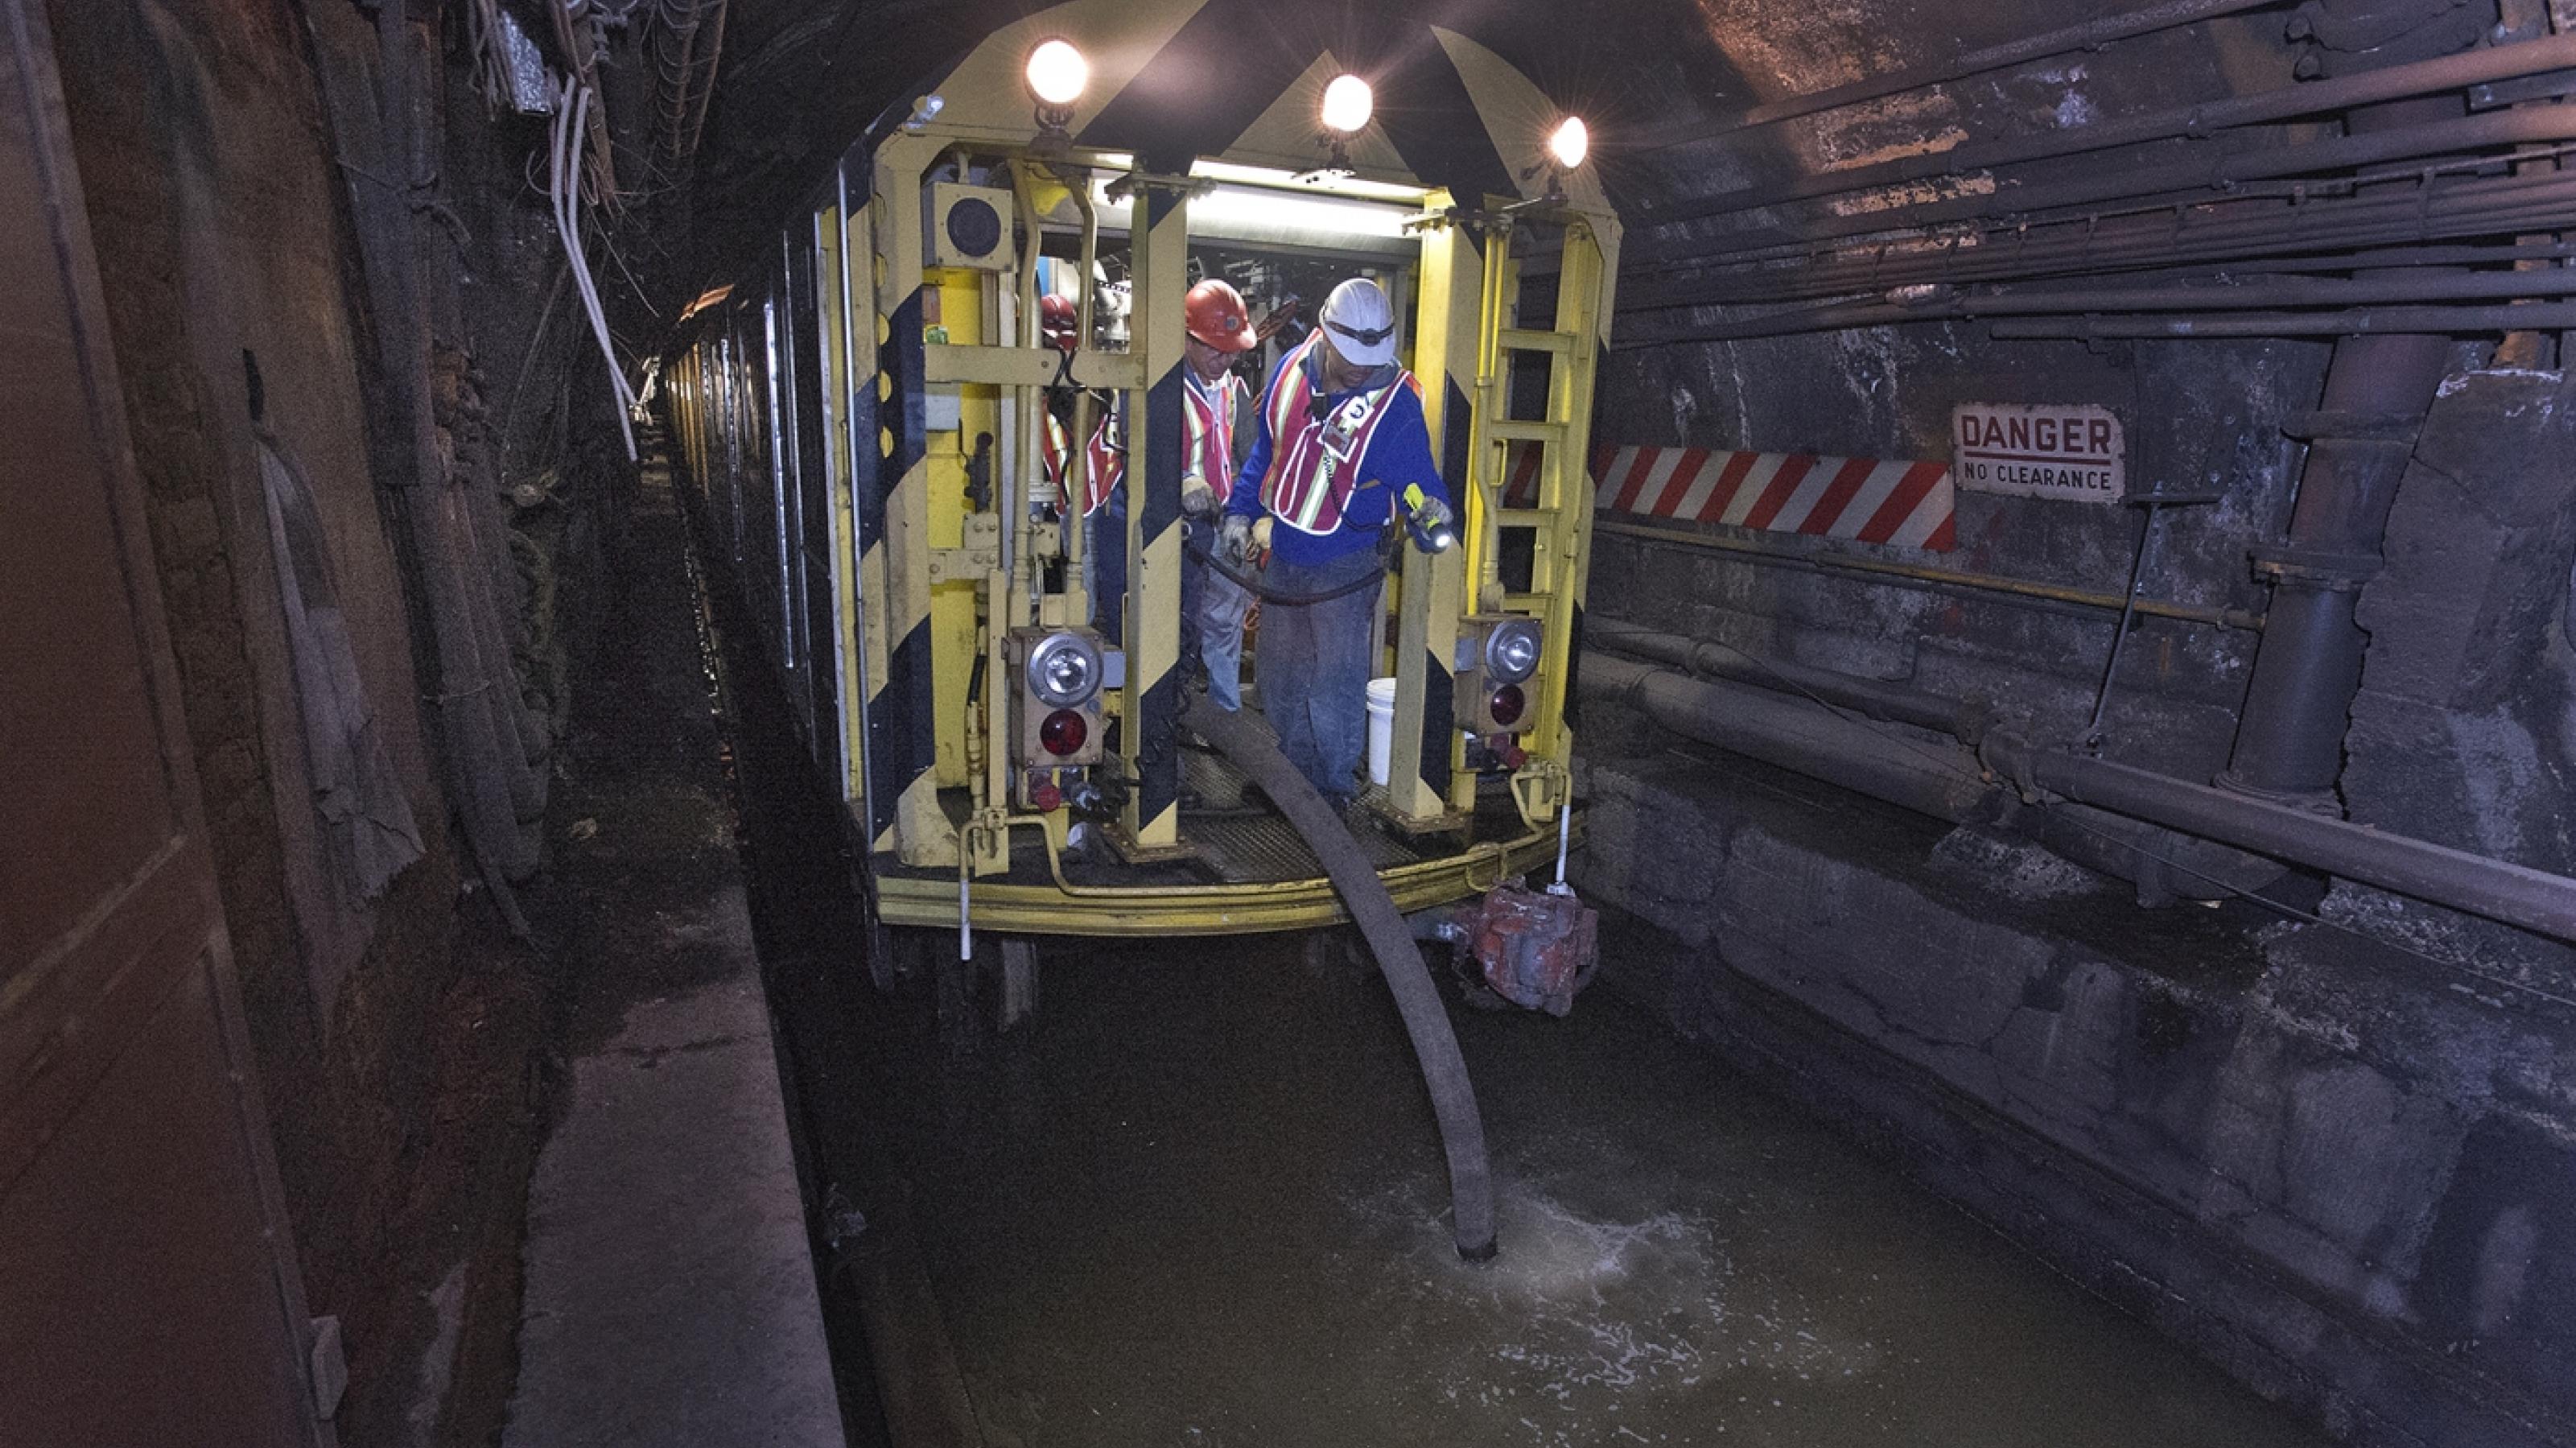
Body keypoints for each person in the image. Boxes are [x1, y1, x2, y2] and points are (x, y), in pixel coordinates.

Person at [1223, 277, 1454, 808]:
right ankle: (1287, 776)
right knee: (1279, 676)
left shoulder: (1395, 406)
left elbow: (1417, 479)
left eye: (1370, 358)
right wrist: (1241, 511)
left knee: (1334, 682)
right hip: (1284, 554)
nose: (1360, 368)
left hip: (1344, 565)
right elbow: (1268, 451)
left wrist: (1431, 511)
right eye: (1350, 356)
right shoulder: (1289, 373)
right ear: (1324, 334)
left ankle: (1328, 789)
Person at [1177, 278, 1258, 712]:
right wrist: (1180, 482)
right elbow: (1137, 457)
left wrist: (1248, 515)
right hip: (1178, 533)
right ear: (1187, 338)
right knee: (1180, 627)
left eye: (1230, 350)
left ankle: (1225, 716)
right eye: (1213, 348)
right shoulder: (1161, 388)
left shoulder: (1234, 390)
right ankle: (1177, 718)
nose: (1223, 359)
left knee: (1226, 625)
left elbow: (1252, 457)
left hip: (1223, 524)